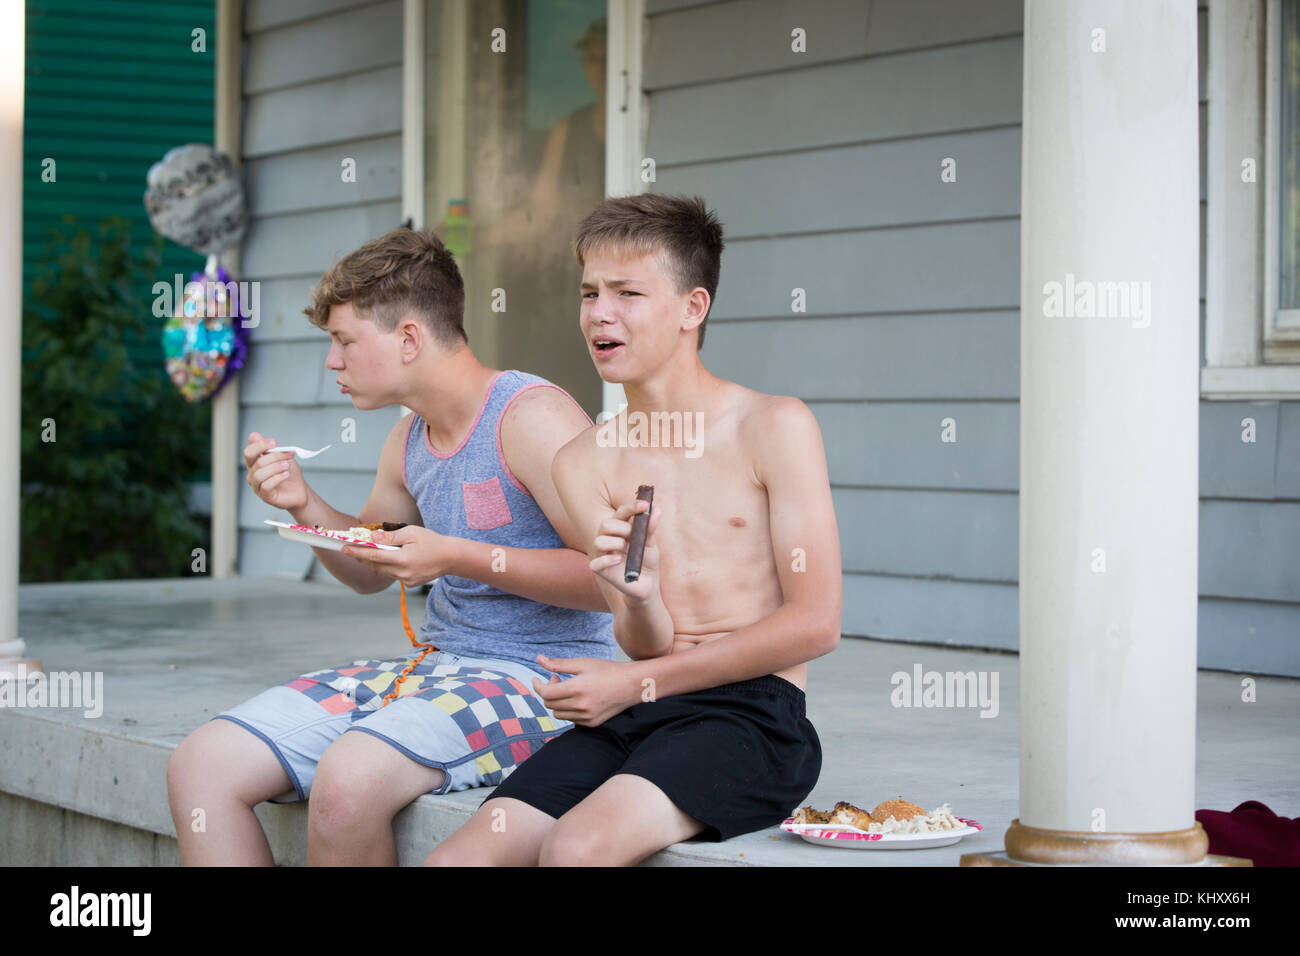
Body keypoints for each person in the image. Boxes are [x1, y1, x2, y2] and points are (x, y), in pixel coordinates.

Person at [166, 227, 616, 866]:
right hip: (438, 668)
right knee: (202, 765)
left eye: (345, 340)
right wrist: (303, 503)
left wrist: (457, 556)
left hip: (547, 679)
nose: (332, 361)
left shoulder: (529, 416)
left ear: (409, 338)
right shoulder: (410, 438)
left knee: (349, 779)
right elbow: (367, 571)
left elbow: (612, 579)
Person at [426, 194, 842, 866]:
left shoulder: (772, 427)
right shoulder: (584, 459)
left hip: (750, 717)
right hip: (642, 707)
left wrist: (630, 683)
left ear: (692, 308)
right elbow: (643, 645)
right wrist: (640, 601)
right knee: (457, 861)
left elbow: (817, 623)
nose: (599, 313)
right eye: (589, 292)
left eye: (627, 292)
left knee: (576, 849)